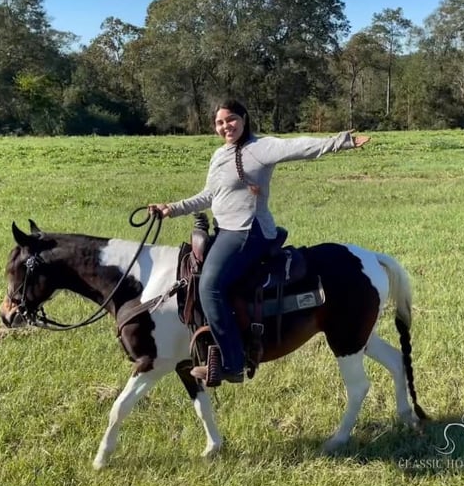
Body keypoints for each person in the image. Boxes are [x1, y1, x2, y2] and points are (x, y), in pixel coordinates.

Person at [149, 99, 371, 384]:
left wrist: (343, 141)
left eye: (231, 119)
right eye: (219, 122)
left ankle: (232, 362)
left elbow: (300, 147)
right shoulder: (220, 155)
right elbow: (209, 195)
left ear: (243, 118)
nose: (226, 126)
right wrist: (172, 207)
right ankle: (212, 340)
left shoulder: (260, 148)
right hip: (225, 228)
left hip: (247, 231)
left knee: (210, 287)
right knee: (193, 272)